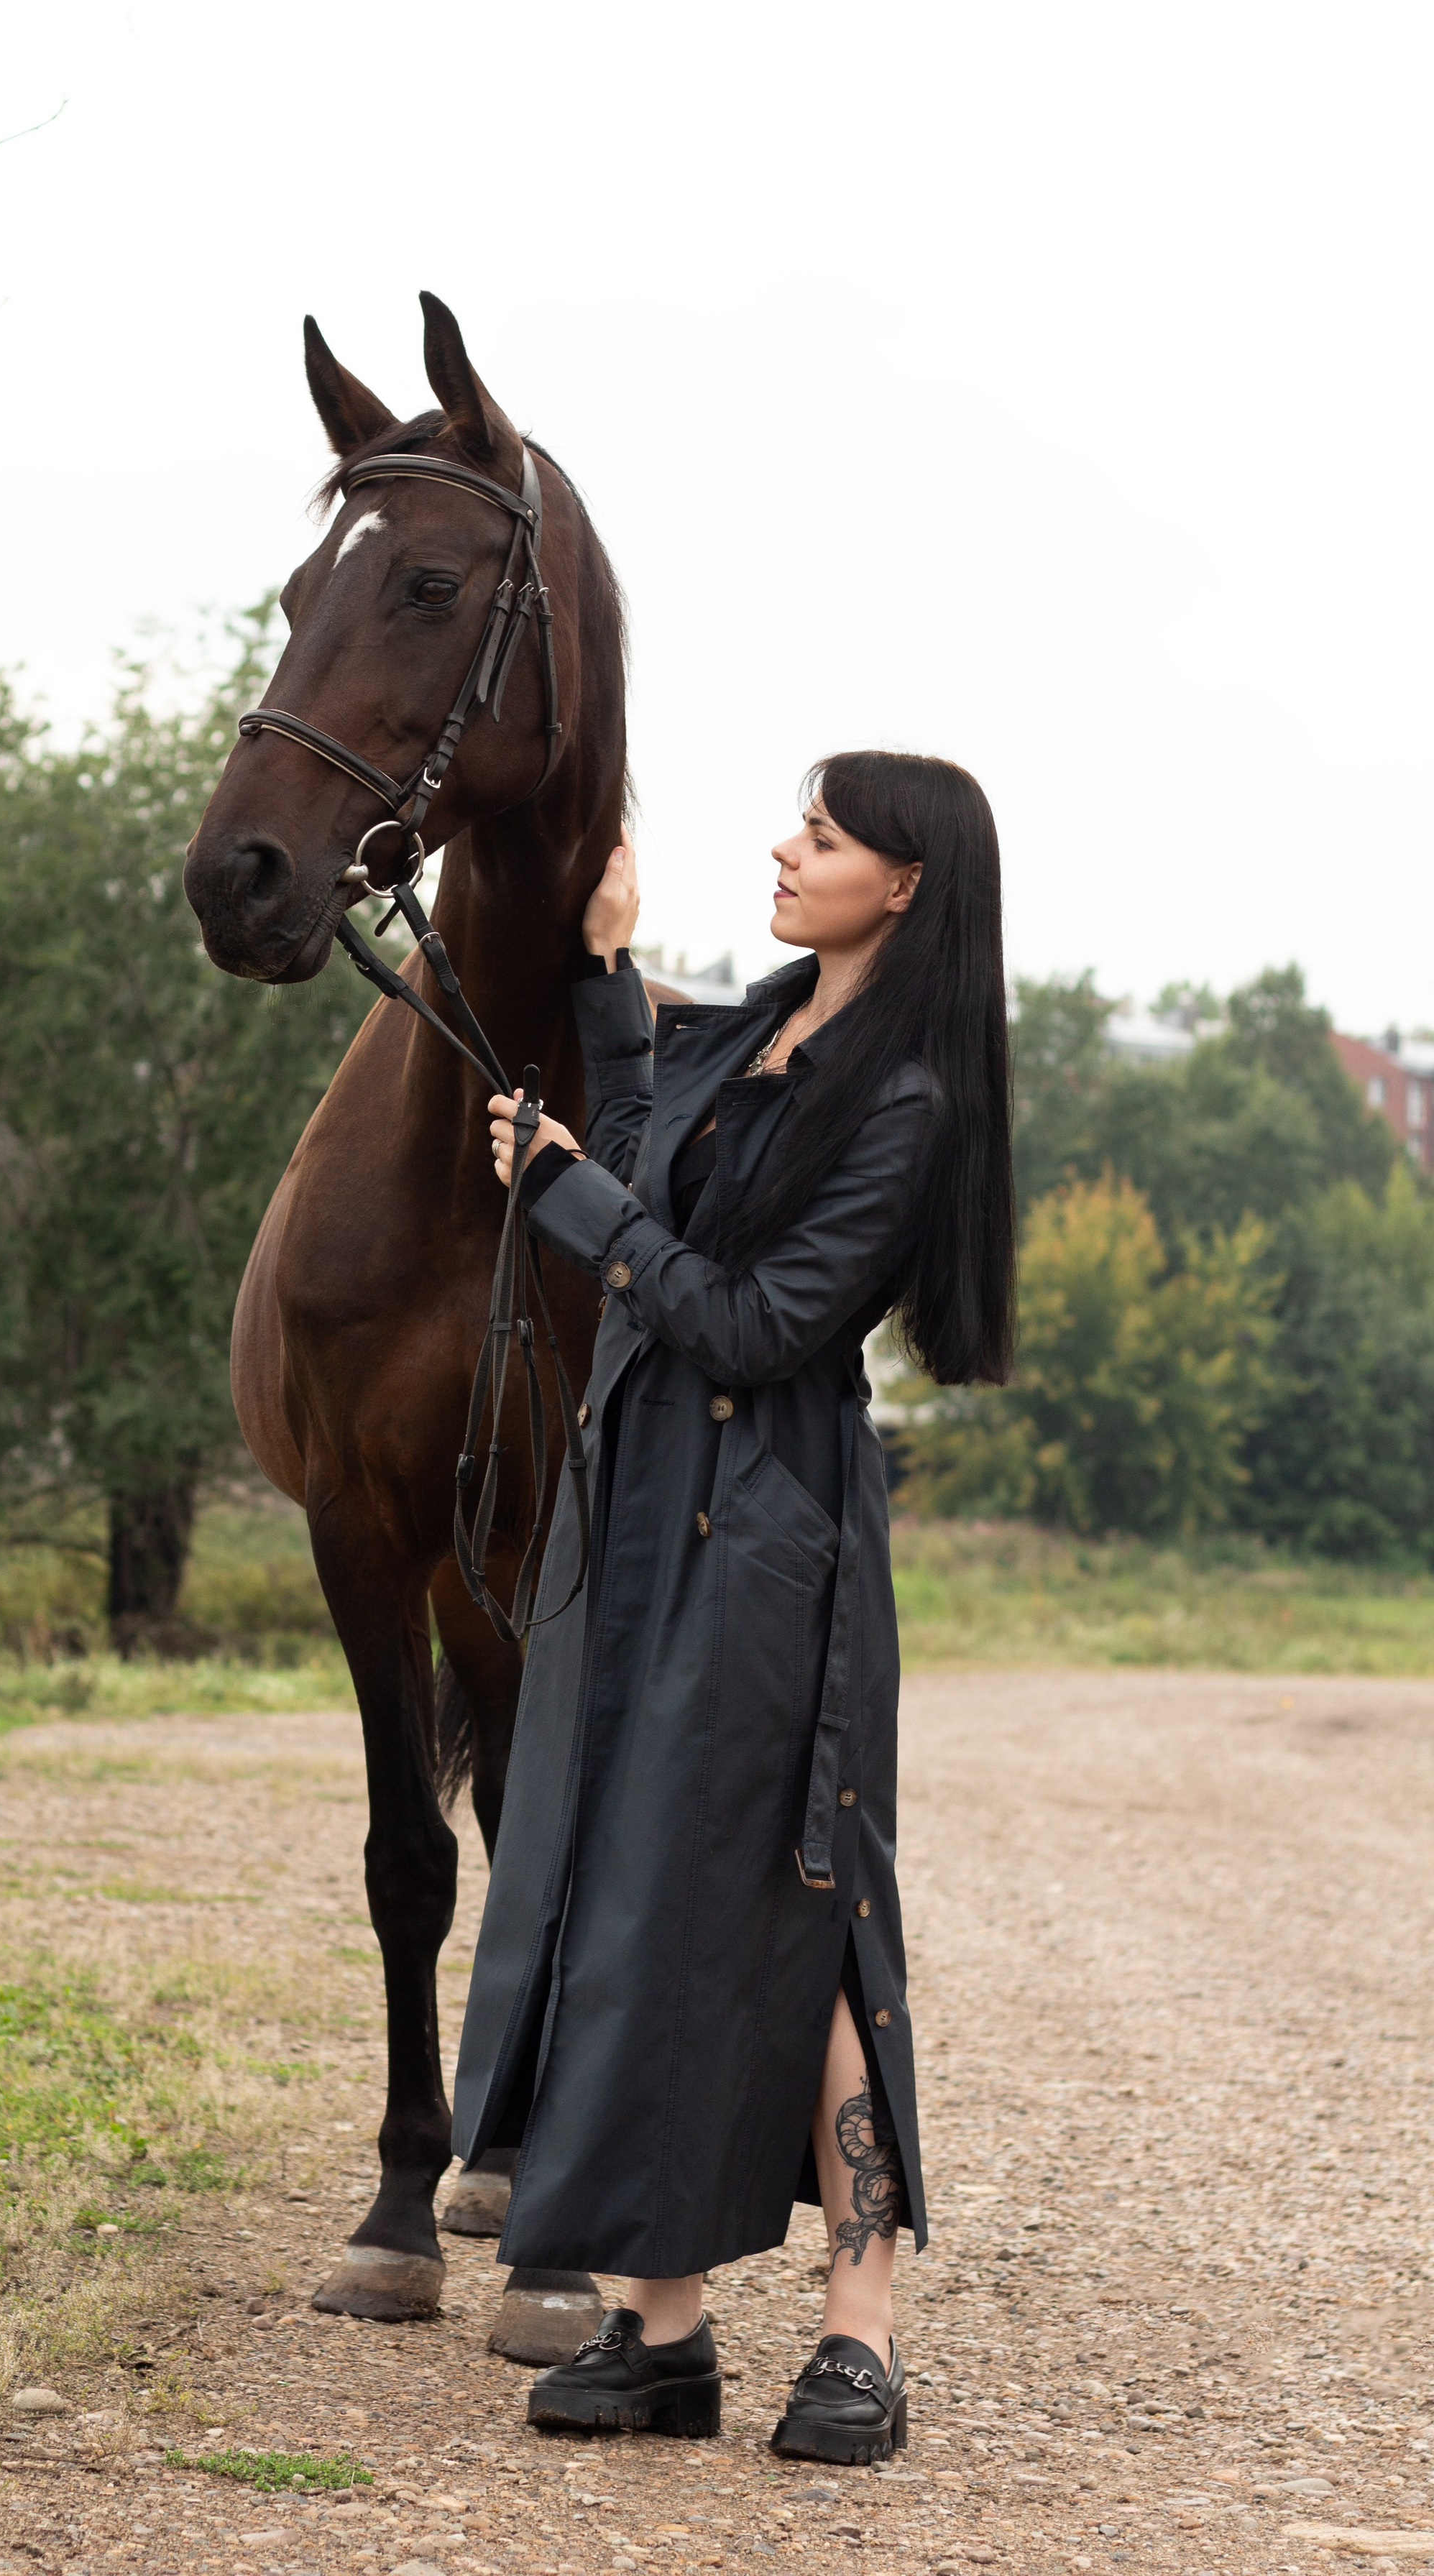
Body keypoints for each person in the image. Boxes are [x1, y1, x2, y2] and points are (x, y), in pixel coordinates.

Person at [449, 750, 1016, 2462]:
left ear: (902, 883)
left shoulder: (901, 1101)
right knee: (629, 1898)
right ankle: (661, 2327)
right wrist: (612, 981)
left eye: (825, 833)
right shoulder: (754, 1031)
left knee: (805, 1906)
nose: (786, 846)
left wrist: (565, 1195)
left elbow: (760, 1322)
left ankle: (859, 2334)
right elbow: (642, 1178)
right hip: (630, 1517)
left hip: (770, 1542)